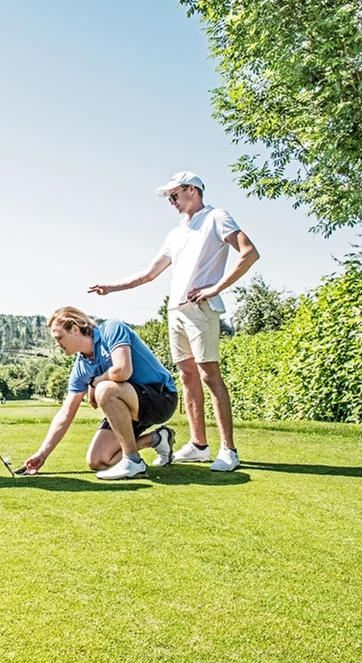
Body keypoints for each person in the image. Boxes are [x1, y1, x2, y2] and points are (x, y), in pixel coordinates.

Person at [88, 171, 260, 472]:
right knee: (188, 377)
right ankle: (199, 445)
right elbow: (149, 274)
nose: (172, 201)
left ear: (192, 190)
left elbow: (249, 253)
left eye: (175, 195)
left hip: (201, 308)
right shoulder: (176, 233)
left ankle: (229, 451)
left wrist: (215, 288)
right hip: (176, 312)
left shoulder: (217, 218)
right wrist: (111, 287)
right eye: (169, 198)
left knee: (209, 376)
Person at [18, 306, 178, 481]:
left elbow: (123, 370)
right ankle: (157, 439)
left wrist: (95, 382)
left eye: (59, 337)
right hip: (130, 408)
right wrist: (42, 454)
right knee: (99, 460)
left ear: (75, 329)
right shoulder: (81, 367)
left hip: (162, 398)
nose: (57, 344)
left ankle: (134, 462)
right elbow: (66, 413)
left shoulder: (112, 329)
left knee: (105, 389)